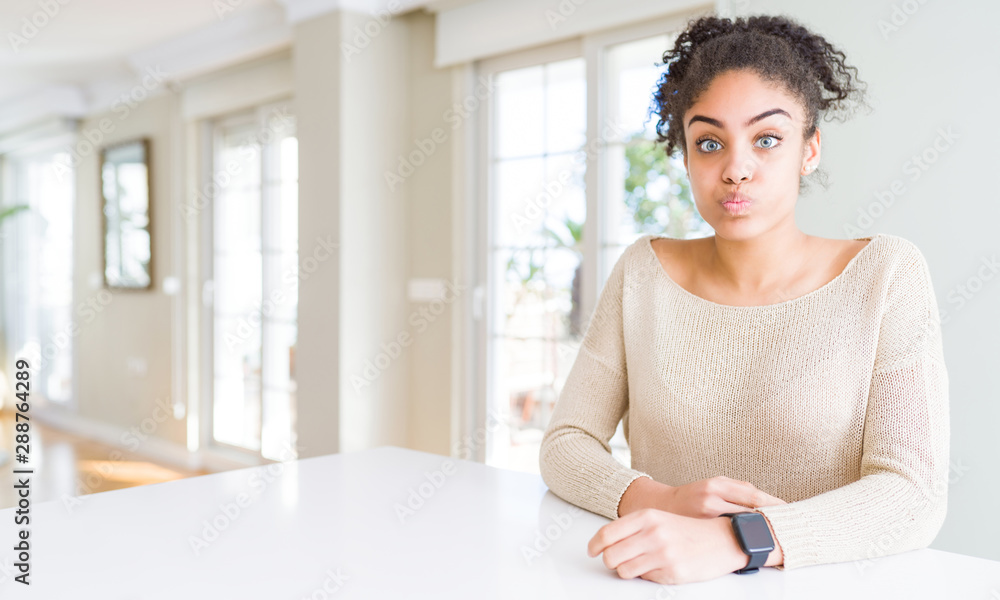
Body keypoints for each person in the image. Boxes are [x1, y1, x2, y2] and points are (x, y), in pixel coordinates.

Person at [538, 13, 949, 585]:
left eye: (767, 139)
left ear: (810, 150)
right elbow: (566, 443)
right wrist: (658, 498)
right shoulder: (643, 273)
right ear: (685, 156)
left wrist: (738, 539)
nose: (736, 170)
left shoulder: (886, 276)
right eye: (709, 142)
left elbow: (913, 494)